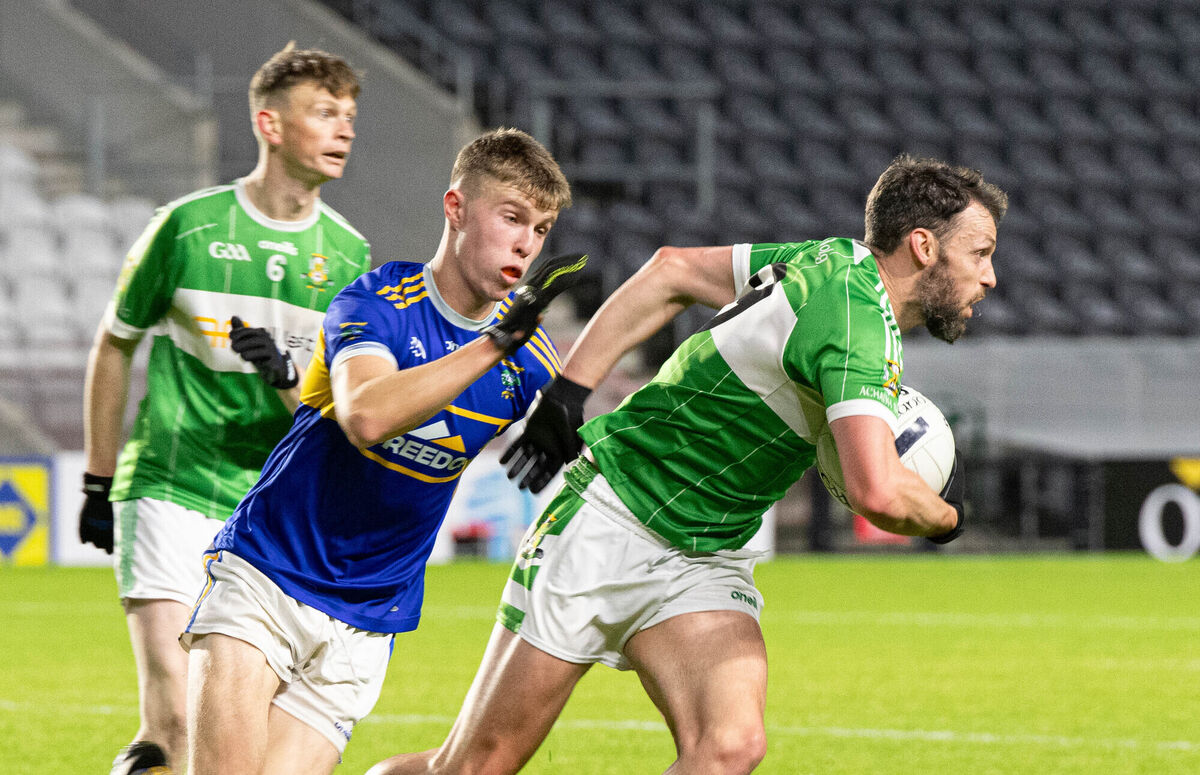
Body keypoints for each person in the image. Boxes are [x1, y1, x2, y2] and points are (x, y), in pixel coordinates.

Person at [368, 154, 1007, 775]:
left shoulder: (831, 264)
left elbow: (671, 270)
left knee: (728, 748)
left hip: (705, 553)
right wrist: (950, 518)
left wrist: (572, 390)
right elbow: (878, 492)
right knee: (473, 768)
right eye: (979, 254)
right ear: (924, 246)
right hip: (613, 517)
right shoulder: (854, 317)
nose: (990, 276)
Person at [179, 127, 582, 775]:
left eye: (540, 229)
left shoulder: (533, 360)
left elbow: (588, 455)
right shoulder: (379, 302)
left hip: (370, 615)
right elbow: (366, 414)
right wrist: (492, 344)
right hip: (269, 572)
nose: (526, 243)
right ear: (456, 208)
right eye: (511, 217)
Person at [78, 43, 373, 775]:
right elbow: (114, 344)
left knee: (240, 738)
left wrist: (282, 374)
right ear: (270, 125)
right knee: (176, 713)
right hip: (171, 486)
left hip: (272, 512)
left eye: (349, 116)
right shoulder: (187, 228)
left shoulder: (348, 254)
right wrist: (97, 478)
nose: (344, 130)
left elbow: (336, 407)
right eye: (324, 112)